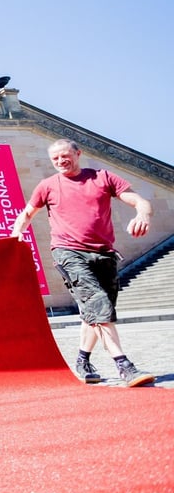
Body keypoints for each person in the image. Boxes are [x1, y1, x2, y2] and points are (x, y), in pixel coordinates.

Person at [10, 139, 155, 386]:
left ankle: (82, 360)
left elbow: (140, 201)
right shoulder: (48, 186)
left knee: (94, 312)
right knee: (97, 304)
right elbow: (27, 213)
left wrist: (142, 214)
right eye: (55, 159)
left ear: (78, 153)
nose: (60, 162)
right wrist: (16, 234)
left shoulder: (103, 177)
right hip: (68, 253)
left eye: (65, 156)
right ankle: (124, 366)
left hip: (104, 254)